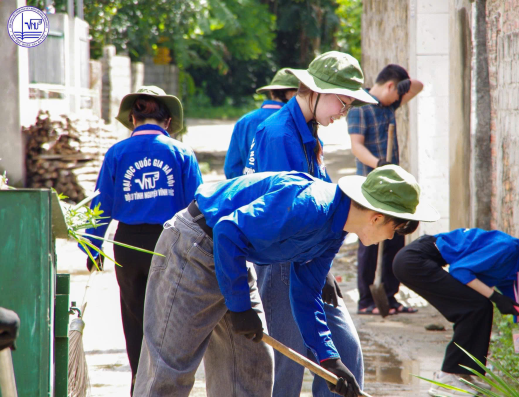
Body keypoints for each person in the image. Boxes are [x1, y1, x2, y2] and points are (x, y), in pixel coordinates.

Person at [134, 165, 439, 397]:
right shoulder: (311, 207)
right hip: (196, 246)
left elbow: (306, 296)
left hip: (233, 260)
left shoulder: (335, 230)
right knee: (169, 370)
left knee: (250, 370)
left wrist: (329, 359)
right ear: (377, 217)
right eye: (395, 230)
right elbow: (228, 230)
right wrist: (239, 306)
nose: (392, 238)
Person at [242, 51, 377, 396]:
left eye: (347, 108)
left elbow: (322, 195)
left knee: (345, 353)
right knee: (288, 366)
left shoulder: (308, 132)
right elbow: (287, 215)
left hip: (308, 256)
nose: (342, 115)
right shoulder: (278, 135)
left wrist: (324, 268)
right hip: (283, 259)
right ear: (317, 91)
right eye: (341, 104)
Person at [80, 86, 203, 394]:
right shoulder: (181, 153)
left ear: (132, 119)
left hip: (126, 246)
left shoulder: (117, 153)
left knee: (135, 317)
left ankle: (139, 383)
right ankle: (161, 386)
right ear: (169, 121)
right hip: (169, 244)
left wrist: (92, 246)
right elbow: (198, 208)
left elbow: (100, 204)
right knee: (167, 319)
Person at [393, 226, 519, 397]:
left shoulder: (516, 274)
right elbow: (460, 271)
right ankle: (447, 376)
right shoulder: (507, 248)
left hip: (425, 262)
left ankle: (464, 374)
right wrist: (495, 297)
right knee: (475, 307)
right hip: (415, 260)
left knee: (479, 307)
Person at [347, 64, 424, 315]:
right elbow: (356, 146)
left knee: (394, 238)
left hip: (394, 189)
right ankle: (365, 300)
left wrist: (404, 86)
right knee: (369, 242)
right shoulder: (360, 107)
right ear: (389, 86)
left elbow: (419, 86)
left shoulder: (390, 104)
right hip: (370, 187)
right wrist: (379, 163)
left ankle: (390, 297)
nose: (399, 99)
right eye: (396, 92)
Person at [223, 68, 299, 179]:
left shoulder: (244, 121)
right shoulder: (297, 122)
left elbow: (231, 167)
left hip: (251, 191)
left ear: (272, 93)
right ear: (293, 94)